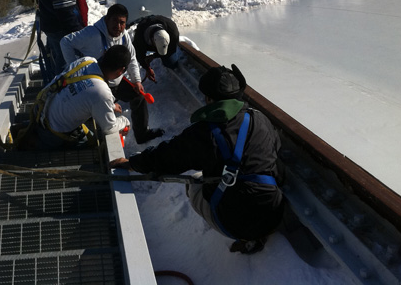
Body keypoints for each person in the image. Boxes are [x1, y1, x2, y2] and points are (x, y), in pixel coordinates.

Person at [110, 64, 284, 254]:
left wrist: (131, 163)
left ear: (209, 98)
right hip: (274, 213)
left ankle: (244, 237)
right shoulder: (261, 119)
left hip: (236, 223)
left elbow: (165, 158)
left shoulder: (205, 133)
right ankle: (256, 235)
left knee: (194, 182)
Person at [61, 4, 164, 144]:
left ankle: (142, 134)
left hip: (116, 79)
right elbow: (65, 42)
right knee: (99, 114)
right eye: (115, 21)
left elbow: (132, 58)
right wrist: (75, 68)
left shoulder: (123, 36)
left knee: (138, 97)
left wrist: (137, 81)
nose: (119, 26)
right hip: (95, 84)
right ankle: (95, 142)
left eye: (122, 23)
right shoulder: (91, 34)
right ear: (107, 20)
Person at [33, 45, 131, 149]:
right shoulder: (101, 92)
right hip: (53, 132)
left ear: (105, 54)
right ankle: (35, 144)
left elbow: (86, 92)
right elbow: (110, 128)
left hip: (40, 111)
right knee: (93, 144)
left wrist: (109, 105)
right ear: (121, 71)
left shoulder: (87, 61)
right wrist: (125, 121)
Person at [132, 15, 180, 82]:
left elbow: (171, 49)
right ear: (152, 40)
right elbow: (138, 53)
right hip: (146, 26)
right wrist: (147, 68)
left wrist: (154, 56)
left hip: (165, 26)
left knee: (171, 62)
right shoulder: (140, 36)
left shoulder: (173, 32)